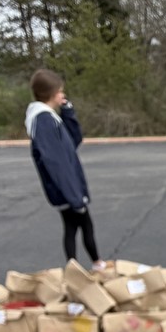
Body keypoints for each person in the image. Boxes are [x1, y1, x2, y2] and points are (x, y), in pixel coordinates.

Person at [25, 68, 104, 268]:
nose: (63, 95)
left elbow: (73, 140)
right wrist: (75, 197)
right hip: (65, 189)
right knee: (84, 224)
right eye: (61, 92)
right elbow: (56, 162)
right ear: (51, 94)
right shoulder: (44, 121)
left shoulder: (49, 117)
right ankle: (95, 264)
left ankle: (74, 268)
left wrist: (67, 111)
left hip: (64, 189)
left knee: (72, 227)